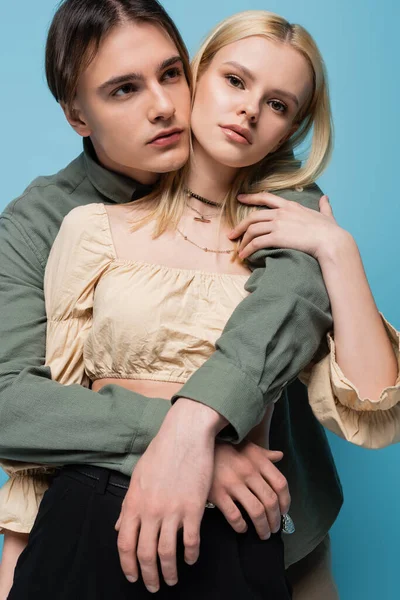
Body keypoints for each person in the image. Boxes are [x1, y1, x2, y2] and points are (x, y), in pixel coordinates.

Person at [0, 1, 398, 598]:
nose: (162, 105)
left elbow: (290, 307)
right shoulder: (54, 222)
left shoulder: (279, 198)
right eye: (123, 90)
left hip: (272, 525)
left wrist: (194, 429)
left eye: (170, 74)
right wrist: (193, 444)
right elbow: (13, 400)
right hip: (98, 516)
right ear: (77, 114)